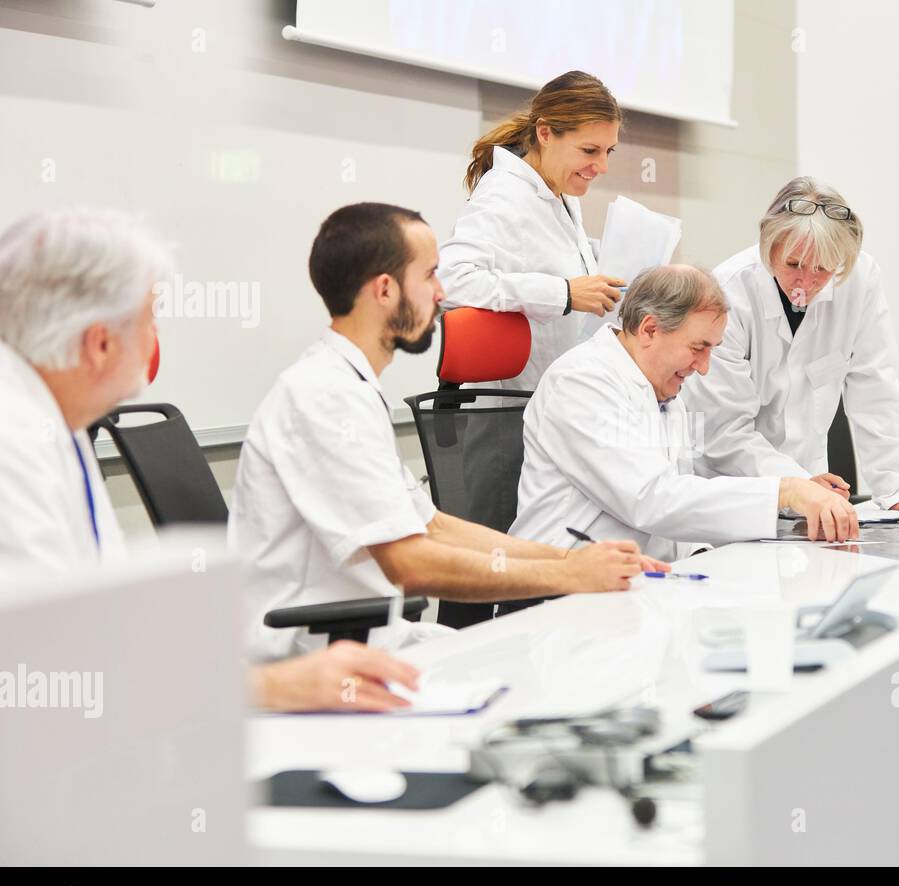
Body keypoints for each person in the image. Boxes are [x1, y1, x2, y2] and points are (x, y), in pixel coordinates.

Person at [0, 206, 419, 713]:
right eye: (150, 318)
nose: (156, 338)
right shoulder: (16, 442)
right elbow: (48, 668)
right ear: (101, 343)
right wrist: (278, 686)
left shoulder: (50, 420)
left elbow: (99, 630)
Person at [229, 202, 662, 658]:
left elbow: (431, 526)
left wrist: (574, 560)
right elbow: (409, 565)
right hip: (314, 661)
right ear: (384, 291)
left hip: (366, 642)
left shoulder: (347, 385)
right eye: (431, 275)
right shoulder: (325, 398)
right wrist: (568, 576)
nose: (442, 293)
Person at [508, 264, 860, 563]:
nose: (704, 368)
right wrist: (783, 491)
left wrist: (705, 558)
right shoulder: (581, 383)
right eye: (698, 348)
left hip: (635, 586)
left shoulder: (664, 392)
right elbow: (650, 500)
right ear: (649, 329)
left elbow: (678, 512)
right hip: (557, 598)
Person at [685, 178, 899, 510]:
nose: (806, 282)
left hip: (812, 493)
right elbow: (722, 430)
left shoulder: (859, 281)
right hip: (733, 494)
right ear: (769, 245)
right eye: (794, 265)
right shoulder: (729, 294)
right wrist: (794, 483)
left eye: (823, 269)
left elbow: (876, 389)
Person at [438, 70, 627, 392]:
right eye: (589, 150)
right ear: (545, 133)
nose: (602, 167)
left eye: (608, 152)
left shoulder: (558, 191)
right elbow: (449, 281)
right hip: (514, 414)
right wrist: (563, 294)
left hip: (560, 395)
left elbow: (537, 254)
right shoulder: (503, 194)